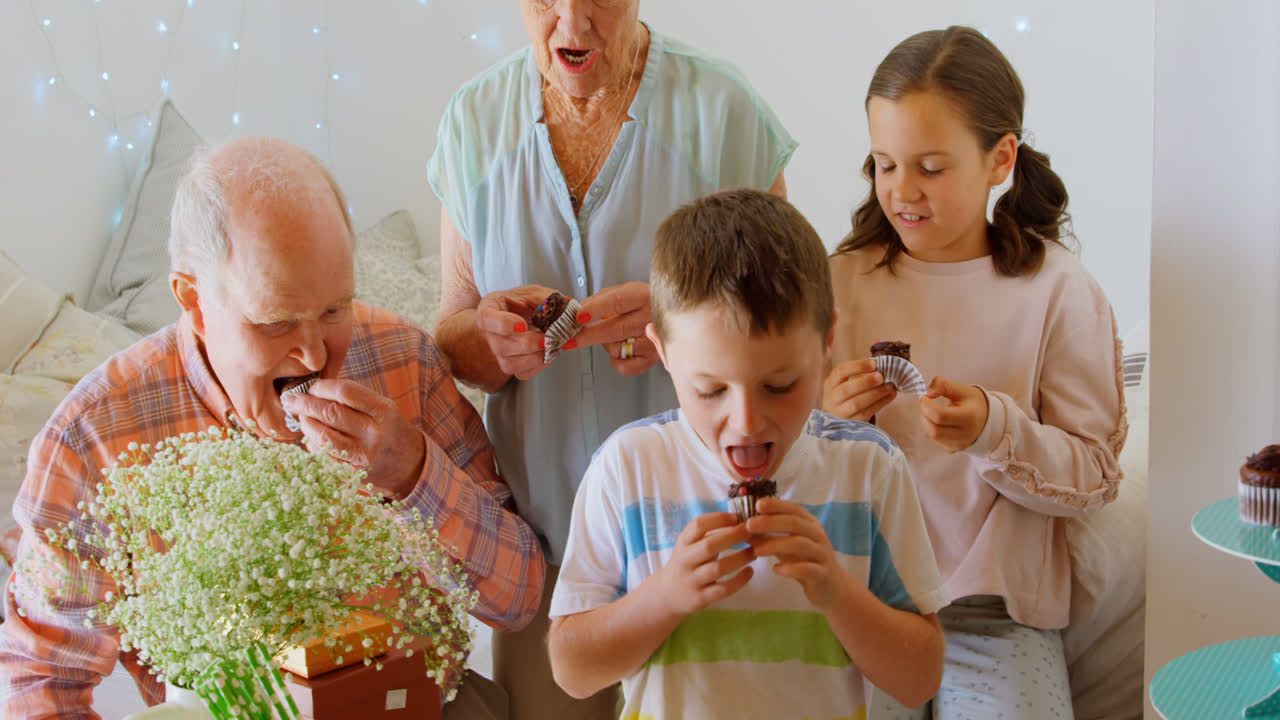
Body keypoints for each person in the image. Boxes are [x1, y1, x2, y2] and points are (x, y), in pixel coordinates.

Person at [0, 137, 544, 719]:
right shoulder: (94, 437)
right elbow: (43, 684)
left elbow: (519, 598)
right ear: (194, 302)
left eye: (335, 310)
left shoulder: (402, 358)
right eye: (276, 321)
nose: (313, 355)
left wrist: (415, 474)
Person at [427, 1, 796, 715]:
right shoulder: (472, 123)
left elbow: (790, 321)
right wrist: (491, 338)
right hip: (548, 557)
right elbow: (451, 334)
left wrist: (676, 319)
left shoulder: (724, 114)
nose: (571, 22)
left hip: (708, 543)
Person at [546, 189, 947, 719]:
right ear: (663, 352)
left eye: (780, 384)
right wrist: (665, 596)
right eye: (711, 390)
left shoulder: (870, 468)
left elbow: (919, 678)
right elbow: (572, 670)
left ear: (828, 338)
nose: (748, 420)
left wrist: (836, 591)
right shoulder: (628, 467)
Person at [823, 27, 1126, 717]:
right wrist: (826, 422)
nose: (903, 190)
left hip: (996, 613)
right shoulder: (837, 284)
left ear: (1001, 159)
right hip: (862, 602)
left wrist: (996, 429)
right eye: (884, 164)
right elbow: (777, 455)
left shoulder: (1059, 291)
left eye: (930, 167)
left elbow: (1094, 476)